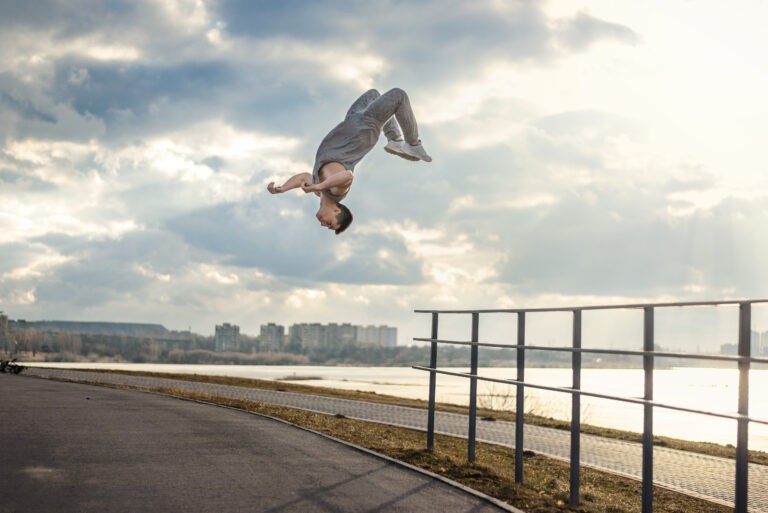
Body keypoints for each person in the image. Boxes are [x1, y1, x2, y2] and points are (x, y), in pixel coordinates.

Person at [267, 88, 432, 234]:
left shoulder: (320, 191)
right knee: (398, 95)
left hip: (351, 121)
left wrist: (283, 188)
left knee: (373, 94)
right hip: (363, 128)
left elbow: (303, 177)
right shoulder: (337, 192)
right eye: (331, 224)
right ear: (337, 211)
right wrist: (318, 186)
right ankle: (413, 144)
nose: (324, 225)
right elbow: (347, 176)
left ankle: (395, 139)